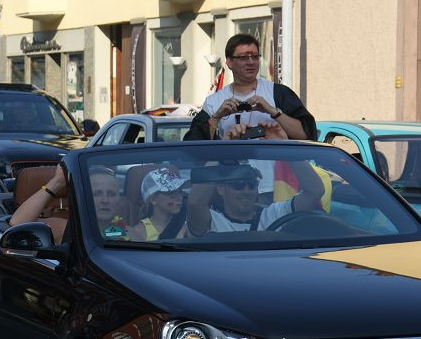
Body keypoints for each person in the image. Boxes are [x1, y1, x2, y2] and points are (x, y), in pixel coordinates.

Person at [186, 124, 325, 235]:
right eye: (238, 185)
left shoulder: (274, 214)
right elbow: (194, 203)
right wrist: (223, 148)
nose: (246, 191)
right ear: (221, 188)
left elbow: (315, 191)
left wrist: (284, 145)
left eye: (252, 184)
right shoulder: (213, 221)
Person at [184, 33, 316, 142]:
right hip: (230, 171)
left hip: (273, 172)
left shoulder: (278, 93)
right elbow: (192, 145)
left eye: (255, 56)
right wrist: (217, 117)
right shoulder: (213, 102)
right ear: (229, 62)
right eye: (243, 58)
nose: (251, 62)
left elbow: (307, 136)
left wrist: (273, 111)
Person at [128, 168, 188, 241]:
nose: (179, 197)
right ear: (153, 199)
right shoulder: (140, 231)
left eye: (180, 192)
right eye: (172, 193)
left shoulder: (187, 226)